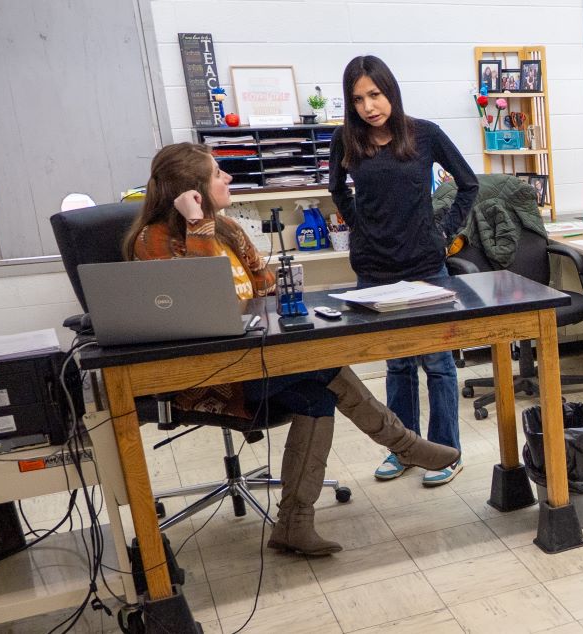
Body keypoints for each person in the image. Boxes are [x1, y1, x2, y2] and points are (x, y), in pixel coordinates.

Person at [125, 143, 460, 556]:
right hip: (210, 377)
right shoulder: (153, 240)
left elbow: (266, 285)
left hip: (257, 361)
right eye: (217, 174)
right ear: (190, 190)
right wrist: (196, 228)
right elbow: (206, 305)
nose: (228, 178)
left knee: (318, 389)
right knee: (323, 368)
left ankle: (294, 525)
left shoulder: (227, 229)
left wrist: (236, 257)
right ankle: (403, 443)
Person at [329, 55, 479, 486]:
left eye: (374, 94)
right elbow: (336, 190)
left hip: (424, 265)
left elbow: (468, 184)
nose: (368, 106)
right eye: (358, 99)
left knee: (438, 363)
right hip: (375, 270)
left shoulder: (424, 134)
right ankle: (404, 449)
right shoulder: (347, 140)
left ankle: (446, 453)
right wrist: (359, 226)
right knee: (398, 365)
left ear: (389, 90)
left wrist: (443, 232)